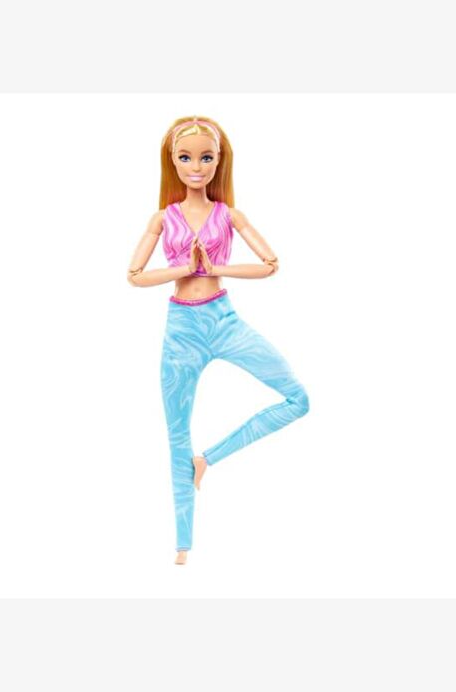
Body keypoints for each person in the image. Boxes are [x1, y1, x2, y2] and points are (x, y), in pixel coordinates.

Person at [127, 116, 309, 565]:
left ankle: (208, 459)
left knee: (298, 399)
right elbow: (134, 274)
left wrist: (215, 268)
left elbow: (270, 264)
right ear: (172, 161)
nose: (196, 167)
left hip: (224, 320)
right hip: (181, 331)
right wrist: (184, 269)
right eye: (186, 157)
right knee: (176, 434)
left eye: (206, 157)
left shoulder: (229, 215)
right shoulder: (161, 218)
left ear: (219, 161)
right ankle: (182, 547)